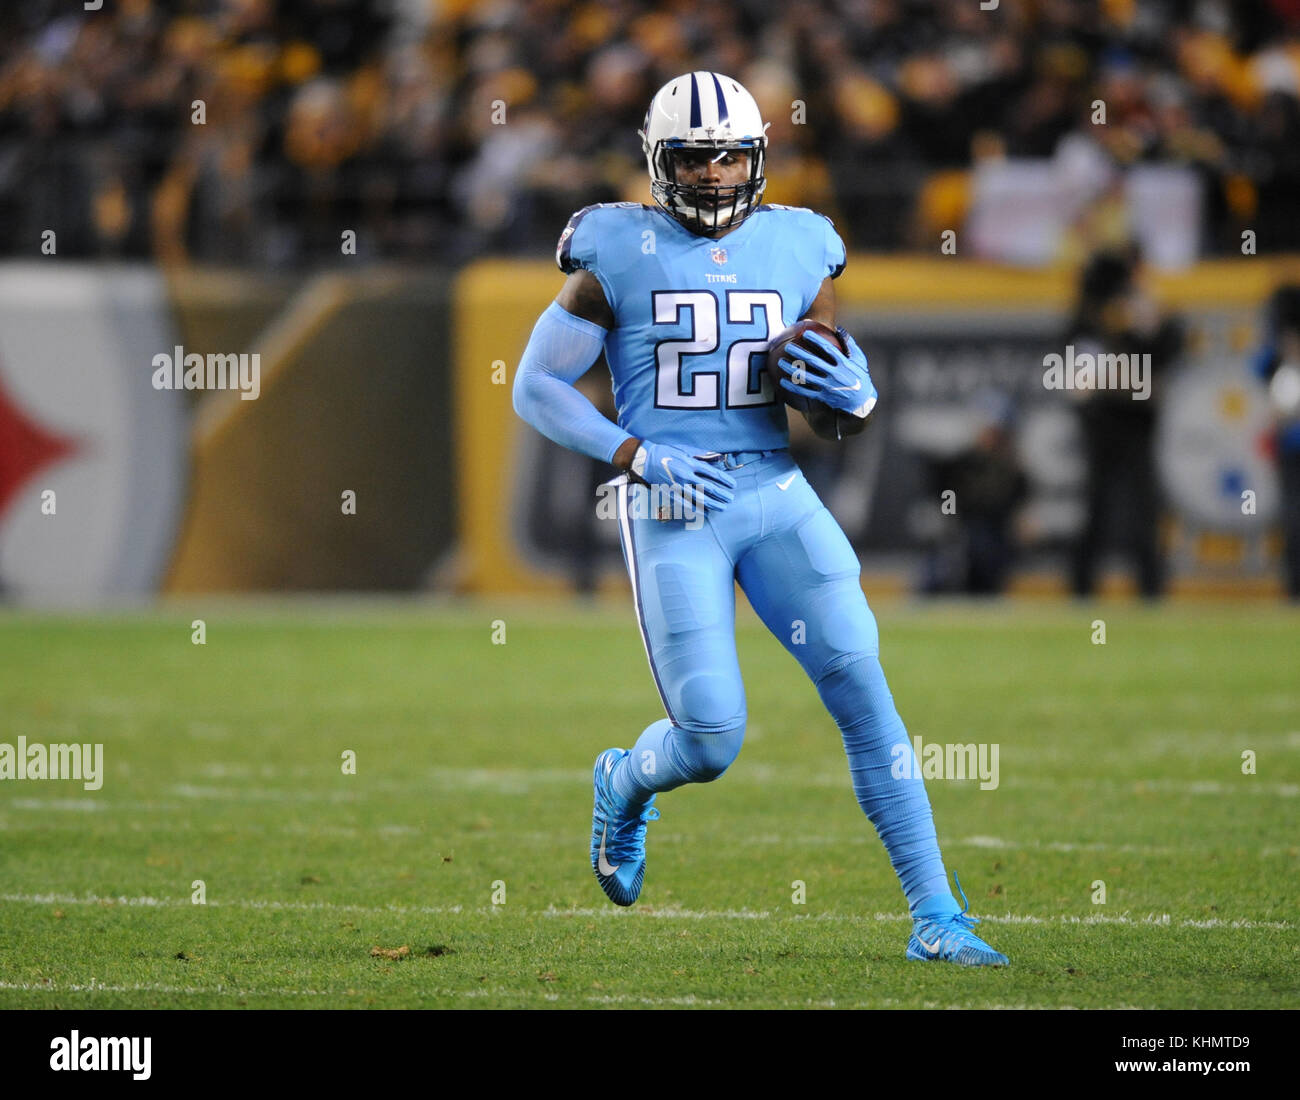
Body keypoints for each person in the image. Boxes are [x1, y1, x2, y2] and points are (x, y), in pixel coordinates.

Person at [513, 72, 1007, 966]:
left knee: (864, 688)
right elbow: (535, 385)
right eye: (695, 156)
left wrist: (853, 398)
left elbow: (822, 392)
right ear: (661, 162)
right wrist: (632, 452)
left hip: (775, 493)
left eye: (731, 153)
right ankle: (625, 781)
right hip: (672, 498)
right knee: (710, 738)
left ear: (758, 157)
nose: (713, 173)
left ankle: (938, 916)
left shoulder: (804, 244)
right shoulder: (614, 249)